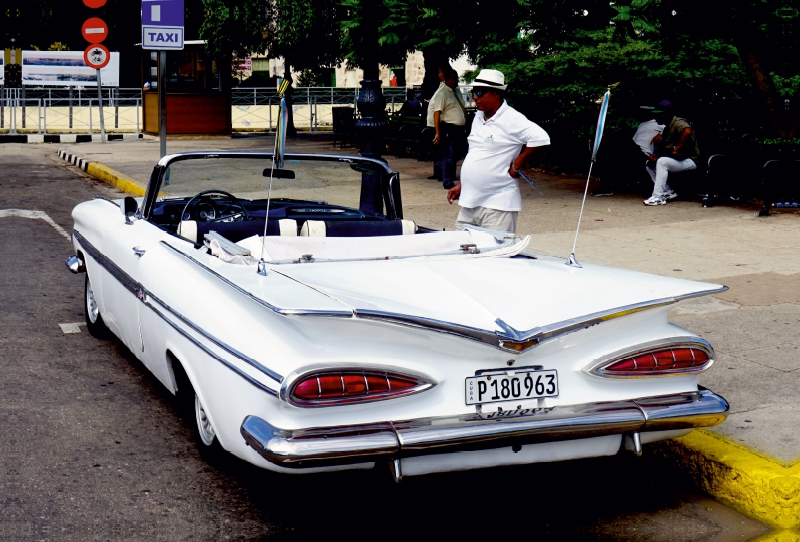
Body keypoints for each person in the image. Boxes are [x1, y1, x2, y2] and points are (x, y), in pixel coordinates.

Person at [446, 69, 550, 233]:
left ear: (496, 93)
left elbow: (541, 138)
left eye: (479, 92)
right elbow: (476, 152)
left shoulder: (512, 118)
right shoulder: (479, 117)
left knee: (495, 255)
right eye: (474, 91)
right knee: (461, 253)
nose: (475, 97)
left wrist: (517, 165)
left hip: (498, 206)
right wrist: (462, 185)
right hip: (470, 202)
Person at [643, 100, 700, 206]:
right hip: (680, 160)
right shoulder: (668, 127)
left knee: (662, 162)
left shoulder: (678, 122)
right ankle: (667, 191)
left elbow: (687, 131)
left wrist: (678, 147)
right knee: (650, 164)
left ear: (665, 115)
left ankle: (658, 197)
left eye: (658, 115)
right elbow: (666, 148)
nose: (655, 118)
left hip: (691, 161)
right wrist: (656, 155)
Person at [429, 68, 467, 189]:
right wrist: (438, 132)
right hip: (450, 127)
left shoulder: (455, 91)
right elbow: (437, 113)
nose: (457, 80)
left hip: (460, 128)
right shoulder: (442, 93)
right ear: (448, 79)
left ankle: (442, 167)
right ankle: (447, 180)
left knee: (460, 151)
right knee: (449, 154)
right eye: (454, 78)